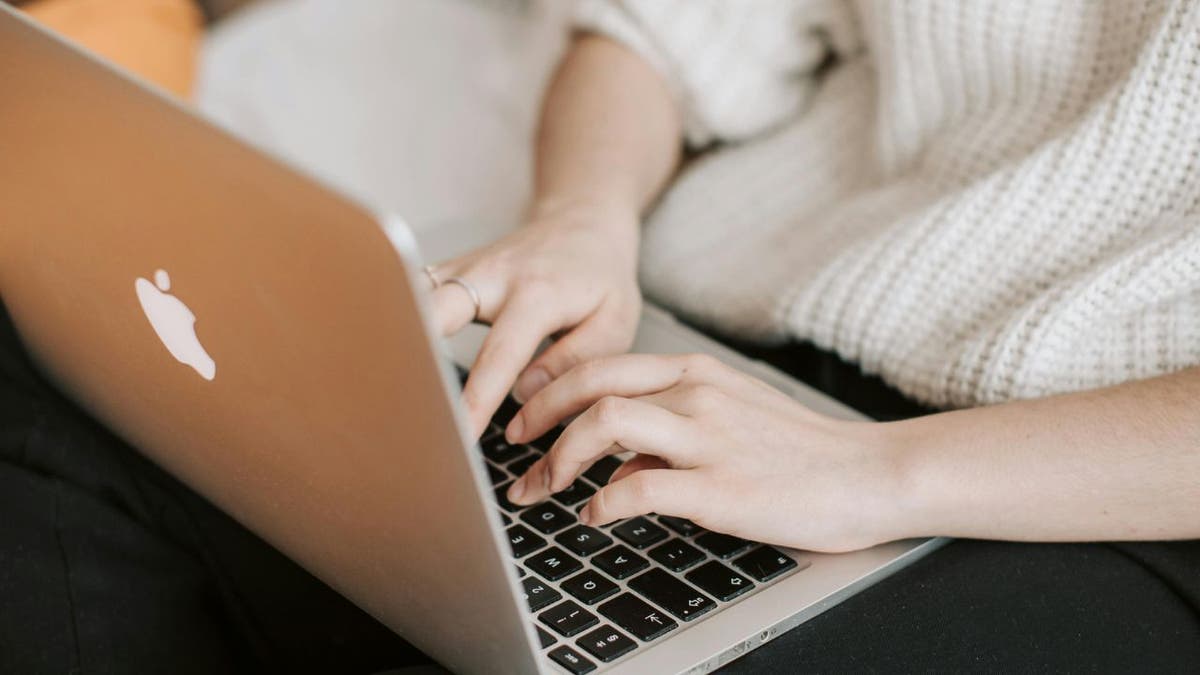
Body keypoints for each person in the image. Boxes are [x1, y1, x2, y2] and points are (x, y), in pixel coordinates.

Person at [2, 1, 1199, 673]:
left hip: (1088, 488)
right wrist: (582, 223)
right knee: (60, 414)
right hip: (726, 350)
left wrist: (875, 475)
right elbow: (665, 33)